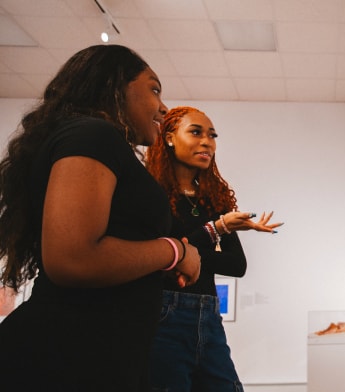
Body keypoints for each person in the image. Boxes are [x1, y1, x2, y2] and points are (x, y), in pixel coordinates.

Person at [0, 45, 202, 391]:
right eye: (154, 89)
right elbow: (73, 258)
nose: (163, 107)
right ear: (114, 86)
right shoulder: (92, 134)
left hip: (90, 357)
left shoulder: (91, 138)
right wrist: (175, 253)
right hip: (64, 361)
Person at [144, 106, 282, 391]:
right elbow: (158, 256)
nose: (208, 142)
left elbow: (236, 265)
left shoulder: (214, 201)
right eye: (196, 132)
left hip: (207, 314)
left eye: (212, 135)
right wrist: (215, 230)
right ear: (169, 138)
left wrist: (185, 251)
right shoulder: (150, 194)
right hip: (162, 316)